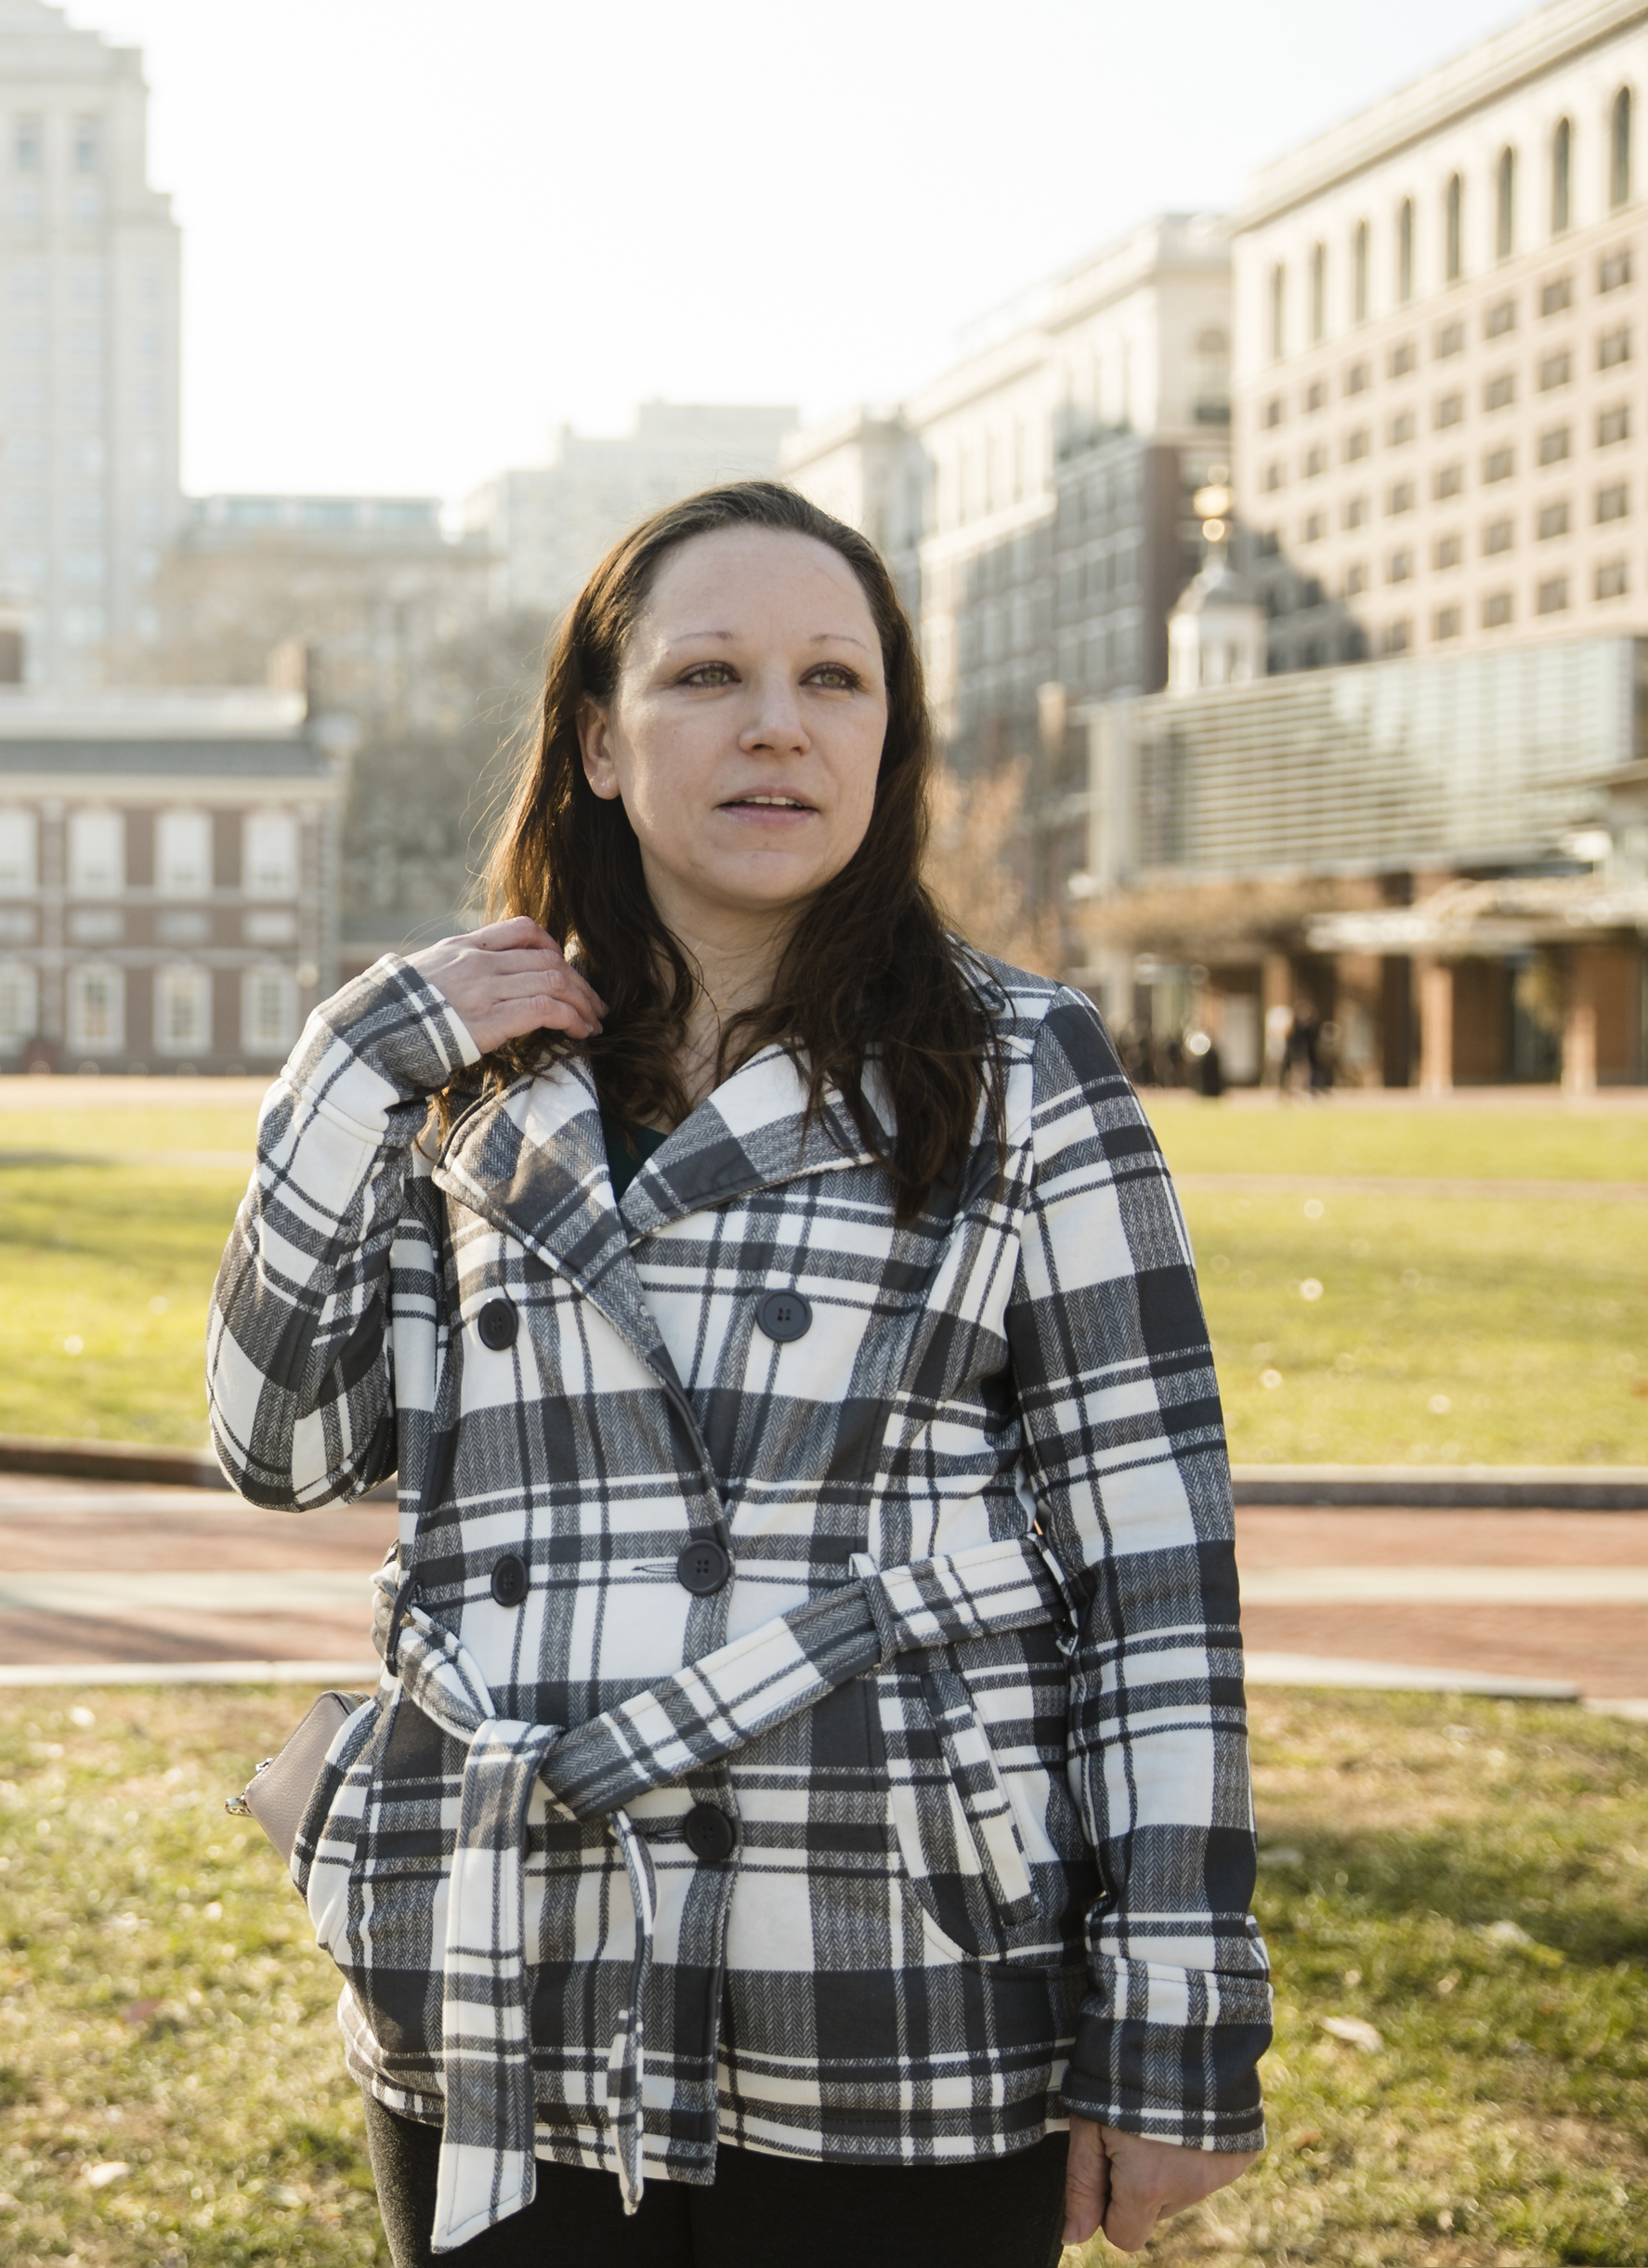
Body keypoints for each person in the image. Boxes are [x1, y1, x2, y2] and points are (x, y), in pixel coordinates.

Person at [208, 482, 1268, 2267]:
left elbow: (1152, 1566)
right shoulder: (468, 1076)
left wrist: (1175, 2018)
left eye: (833, 679)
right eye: (709, 674)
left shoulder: (1023, 1065)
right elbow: (278, 1446)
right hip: (506, 1965)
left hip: (898, 1974)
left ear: (887, 741)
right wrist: (347, 1064)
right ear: (598, 741)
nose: (779, 724)